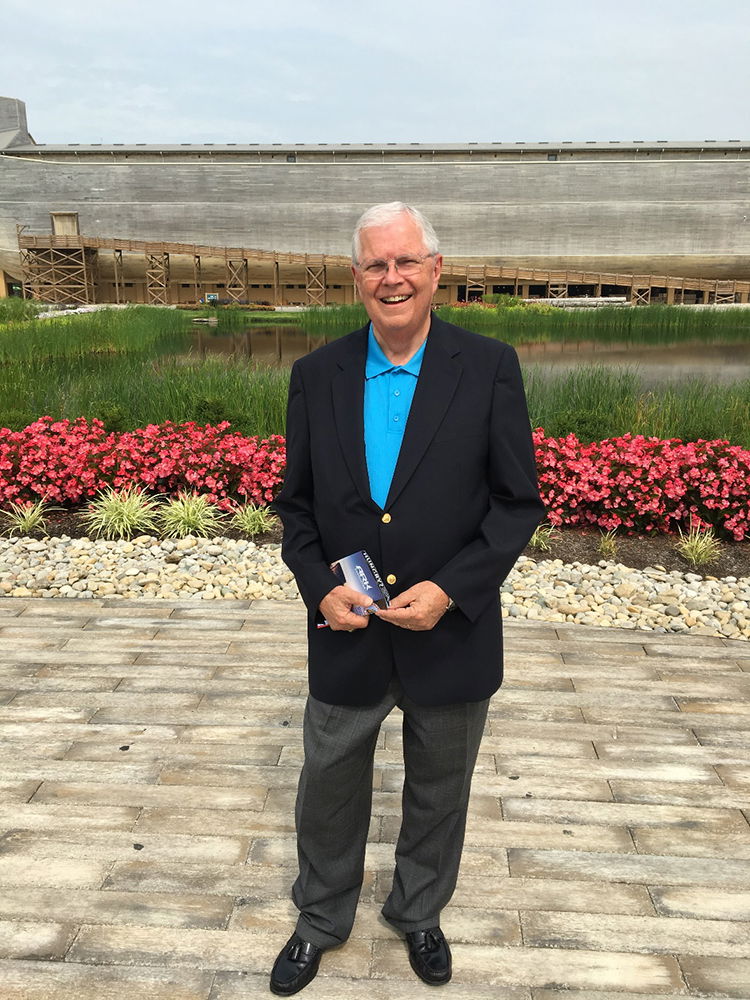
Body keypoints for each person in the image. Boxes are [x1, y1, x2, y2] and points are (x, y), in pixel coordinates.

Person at [270, 202, 544, 995]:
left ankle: (418, 912)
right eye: (375, 265)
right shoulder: (316, 374)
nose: (392, 278)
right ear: (356, 278)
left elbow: (515, 503)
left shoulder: (488, 366)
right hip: (348, 630)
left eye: (406, 262)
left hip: (449, 633)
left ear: (435, 271)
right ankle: (320, 919)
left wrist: (453, 592)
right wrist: (320, 588)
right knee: (326, 789)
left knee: (438, 792)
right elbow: (294, 508)